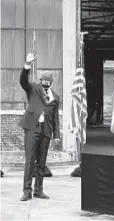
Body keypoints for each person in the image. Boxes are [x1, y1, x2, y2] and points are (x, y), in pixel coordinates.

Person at [19, 52, 60, 201]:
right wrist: (27, 65)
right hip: (32, 128)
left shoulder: (56, 97)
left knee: (41, 162)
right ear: (40, 79)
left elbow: (55, 117)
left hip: (46, 131)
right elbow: (23, 81)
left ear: (51, 81)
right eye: (44, 79)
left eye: (49, 80)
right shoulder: (33, 89)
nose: (46, 81)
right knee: (30, 160)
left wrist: (57, 136)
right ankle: (27, 191)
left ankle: (38, 190)